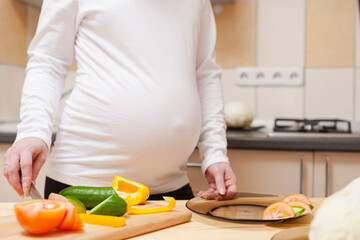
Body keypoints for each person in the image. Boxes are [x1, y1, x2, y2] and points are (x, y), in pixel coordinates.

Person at [3, 0, 237, 201]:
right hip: (84, 185)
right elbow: (48, 61)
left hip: (172, 188)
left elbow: (205, 75)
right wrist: (33, 130)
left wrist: (215, 153)